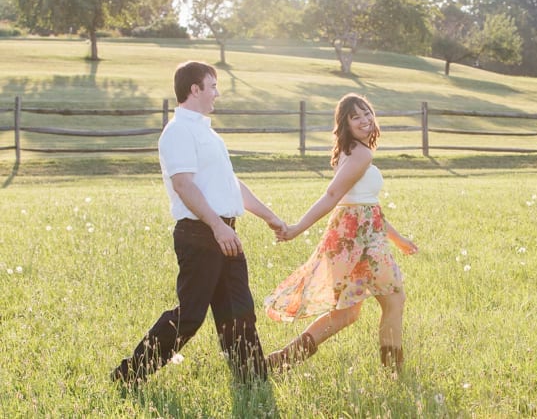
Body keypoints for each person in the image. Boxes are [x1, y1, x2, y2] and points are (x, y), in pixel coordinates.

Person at [111, 61, 286, 386]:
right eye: (213, 86)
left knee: (239, 310)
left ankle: (253, 381)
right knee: (190, 316)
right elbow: (183, 185)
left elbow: (231, 184)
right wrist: (217, 227)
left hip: (225, 232)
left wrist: (270, 217)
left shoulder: (208, 134)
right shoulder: (178, 132)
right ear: (195, 89)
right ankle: (129, 375)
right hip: (200, 233)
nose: (217, 93)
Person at [264, 93, 418, 374]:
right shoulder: (361, 154)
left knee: (347, 313)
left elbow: (367, 206)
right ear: (344, 124)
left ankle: (281, 360)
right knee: (394, 298)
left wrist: (398, 239)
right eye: (355, 116)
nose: (365, 120)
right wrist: (297, 228)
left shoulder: (350, 152)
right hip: (361, 242)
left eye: (367, 113)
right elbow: (333, 194)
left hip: (351, 237)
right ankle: (394, 371)